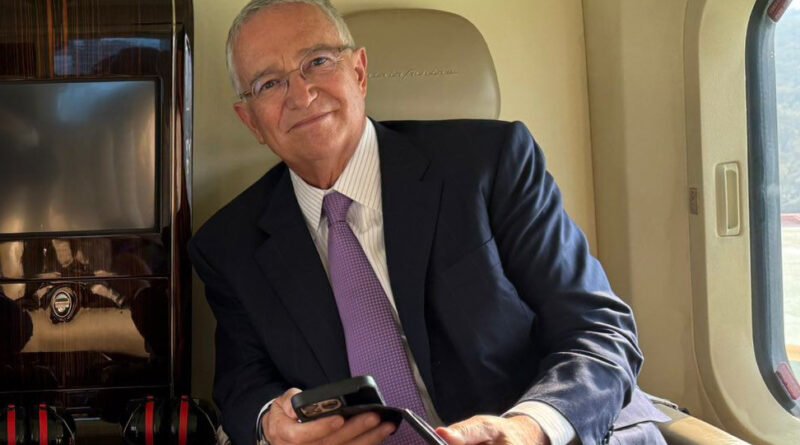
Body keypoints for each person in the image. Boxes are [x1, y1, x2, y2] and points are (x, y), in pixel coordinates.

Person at [188, 1, 669, 444]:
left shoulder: (490, 165)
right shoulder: (228, 246)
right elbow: (242, 384)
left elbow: (598, 332)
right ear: (251, 120)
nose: (302, 93)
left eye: (317, 62)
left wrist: (528, 428)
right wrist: (270, 424)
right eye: (269, 84)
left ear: (359, 72)